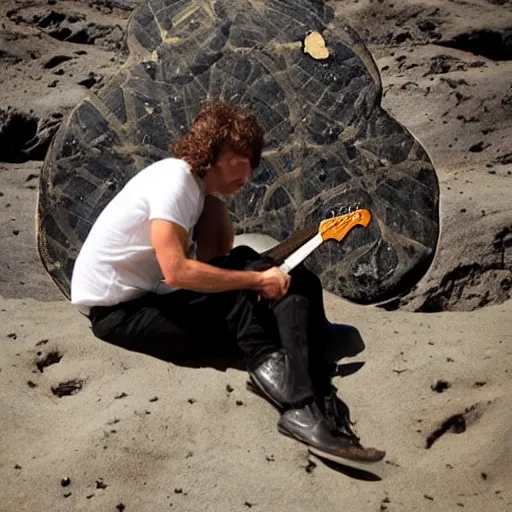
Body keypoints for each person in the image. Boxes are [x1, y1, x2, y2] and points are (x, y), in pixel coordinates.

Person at [71, 100, 385, 465]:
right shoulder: (174, 183)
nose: (248, 168)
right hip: (119, 314)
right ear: (212, 153)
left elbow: (216, 261)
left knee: (289, 275)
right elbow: (178, 272)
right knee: (248, 294)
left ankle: (311, 351)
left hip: (150, 297)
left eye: (253, 157)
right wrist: (254, 280)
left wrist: (245, 259)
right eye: (239, 156)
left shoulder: (198, 192)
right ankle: (301, 406)